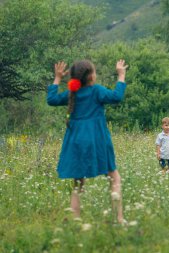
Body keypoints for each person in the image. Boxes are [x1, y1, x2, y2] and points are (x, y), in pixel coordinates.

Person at [47, 59, 128, 223]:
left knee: (78, 183)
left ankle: (76, 220)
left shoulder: (72, 93)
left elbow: (52, 99)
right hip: (97, 140)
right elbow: (117, 96)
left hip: (76, 142)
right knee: (114, 177)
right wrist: (121, 75)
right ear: (91, 76)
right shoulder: (96, 91)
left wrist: (57, 78)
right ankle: (118, 219)